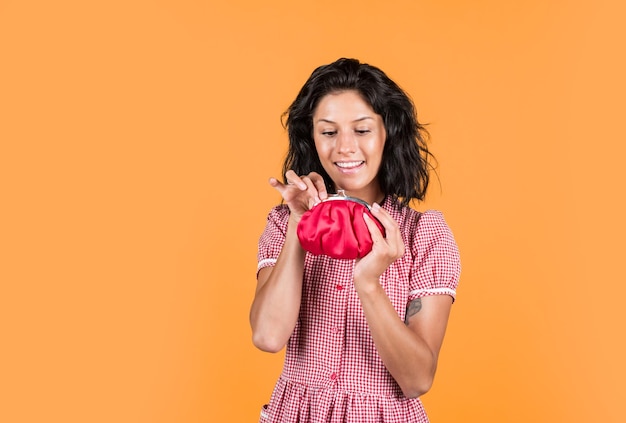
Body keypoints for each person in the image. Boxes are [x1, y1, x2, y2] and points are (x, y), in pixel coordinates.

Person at [250, 58, 461, 423]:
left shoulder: (422, 235)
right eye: (328, 132)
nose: (345, 148)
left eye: (361, 130)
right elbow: (268, 336)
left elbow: (417, 379)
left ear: (387, 134)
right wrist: (300, 229)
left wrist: (368, 284)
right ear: (312, 139)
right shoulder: (284, 222)